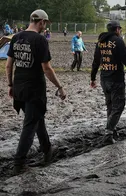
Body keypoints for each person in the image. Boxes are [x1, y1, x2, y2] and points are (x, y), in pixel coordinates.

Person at [5, 9, 67, 174]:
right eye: (45, 24)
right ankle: (19, 163)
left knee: (37, 118)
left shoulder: (16, 37)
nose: (45, 27)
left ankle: (47, 150)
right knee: (30, 124)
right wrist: (60, 87)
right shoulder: (40, 40)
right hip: (34, 89)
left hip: (19, 87)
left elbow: (8, 65)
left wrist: (10, 85)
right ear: (41, 22)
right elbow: (46, 68)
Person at [90, 21, 126, 140]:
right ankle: (109, 132)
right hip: (116, 79)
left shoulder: (100, 42)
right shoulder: (118, 41)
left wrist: (92, 78)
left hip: (104, 78)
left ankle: (113, 131)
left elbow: (96, 61)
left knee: (110, 106)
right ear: (117, 29)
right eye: (120, 29)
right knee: (119, 106)